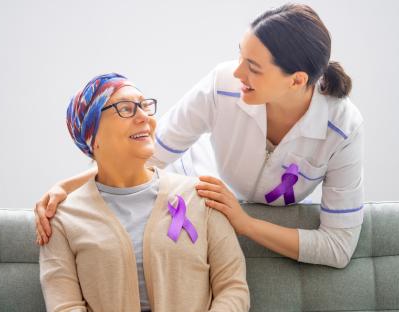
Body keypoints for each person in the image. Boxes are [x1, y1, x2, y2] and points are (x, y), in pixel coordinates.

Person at [36, 4, 364, 269]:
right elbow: (152, 157)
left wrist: (244, 223)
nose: (237, 73)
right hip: (193, 197)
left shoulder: (342, 128)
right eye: (240, 56)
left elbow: (338, 246)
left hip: (256, 218)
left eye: (253, 67)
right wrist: (65, 187)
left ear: (296, 81)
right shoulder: (223, 84)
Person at [39, 73, 249, 312]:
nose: (144, 117)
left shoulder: (201, 196)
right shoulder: (62, 217)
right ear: (92, 135)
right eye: (125, 109)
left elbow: (233, 288)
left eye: (144, 106)